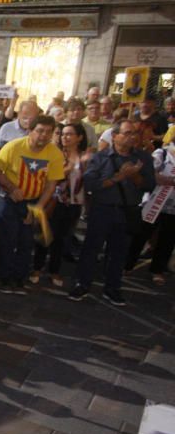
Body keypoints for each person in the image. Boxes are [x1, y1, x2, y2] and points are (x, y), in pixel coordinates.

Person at [70, 119, 156, 305]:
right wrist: (118, 178)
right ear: (114, 136)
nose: (131, 137)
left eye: (134, 133)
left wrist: (135, 176)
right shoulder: (101, 157)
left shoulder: (143, 158)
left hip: (127, 211)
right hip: (102, 210)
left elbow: (150, 185)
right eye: (127, 133)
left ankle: (112, 288)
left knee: (119, 252)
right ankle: (82, 283)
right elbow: (91, 184)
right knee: (91, 249)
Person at [0, 115, 65, 294]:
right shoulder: (13, 147)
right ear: (30, 131)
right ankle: (4, 277)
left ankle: (19, 278)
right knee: (8, 240)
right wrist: (10, 188)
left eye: (48, 132)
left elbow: (51, 184)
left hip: (33, 201)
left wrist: (38, 207)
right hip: (9, 200)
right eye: (39, 131)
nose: (43, 136)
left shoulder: (55, 153)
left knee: (26, 242)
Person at [31, 123, 91, 288]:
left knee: (61, 239)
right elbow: (44, 176)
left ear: (79, 137)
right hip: (52, 201)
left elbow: (88, 182)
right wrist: (65, 170)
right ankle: (37, 268)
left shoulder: (85, 157)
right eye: (63, 134)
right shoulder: (52, 154)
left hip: (73, 204)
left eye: (70, 134)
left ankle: (54, 270)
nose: (65, 137)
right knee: (44, 236)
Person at [126, 142, 175, 285]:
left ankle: (157, 270)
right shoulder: (162, 154)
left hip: (173, 208)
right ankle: (127, 264)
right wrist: (169, 180)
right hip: (154, 203)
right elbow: (150, 174)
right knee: (141, 234)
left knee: (167, 239)